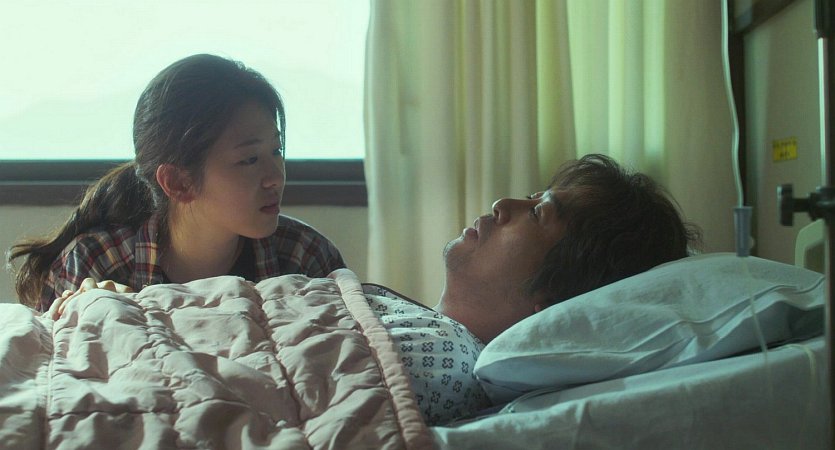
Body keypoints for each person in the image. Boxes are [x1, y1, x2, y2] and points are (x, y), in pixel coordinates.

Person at [363, 153, 701, 425]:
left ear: (553, 299)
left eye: (537, 213)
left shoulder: (440, 363)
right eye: (531, 199)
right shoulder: (423, 329)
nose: (501, 204)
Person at [7, 54, 345, 312]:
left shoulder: (304, 257)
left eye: (276, 150)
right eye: (249, 160)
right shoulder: (95, 265)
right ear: (178, 182)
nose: (275, 177)